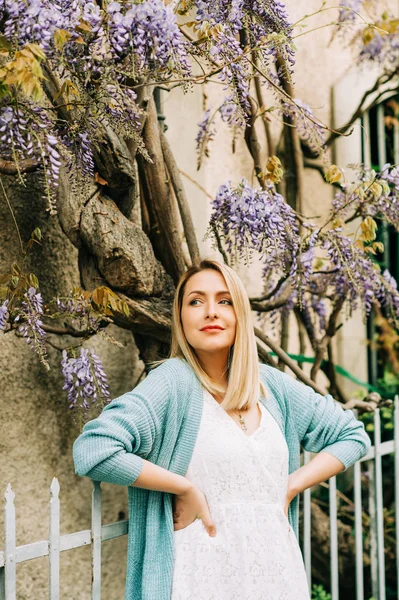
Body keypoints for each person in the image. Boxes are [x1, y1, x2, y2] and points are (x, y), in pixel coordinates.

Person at [73, 259, 371, 600]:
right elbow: (94, 450)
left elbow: (352, 435)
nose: (211, 312)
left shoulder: (270, 386)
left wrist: (289, 487)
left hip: (278, 575)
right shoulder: (172, 382)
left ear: (239, 314)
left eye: (224, 300)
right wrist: (184, 487)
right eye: (196, 301)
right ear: (181, 318)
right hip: (201, 577)